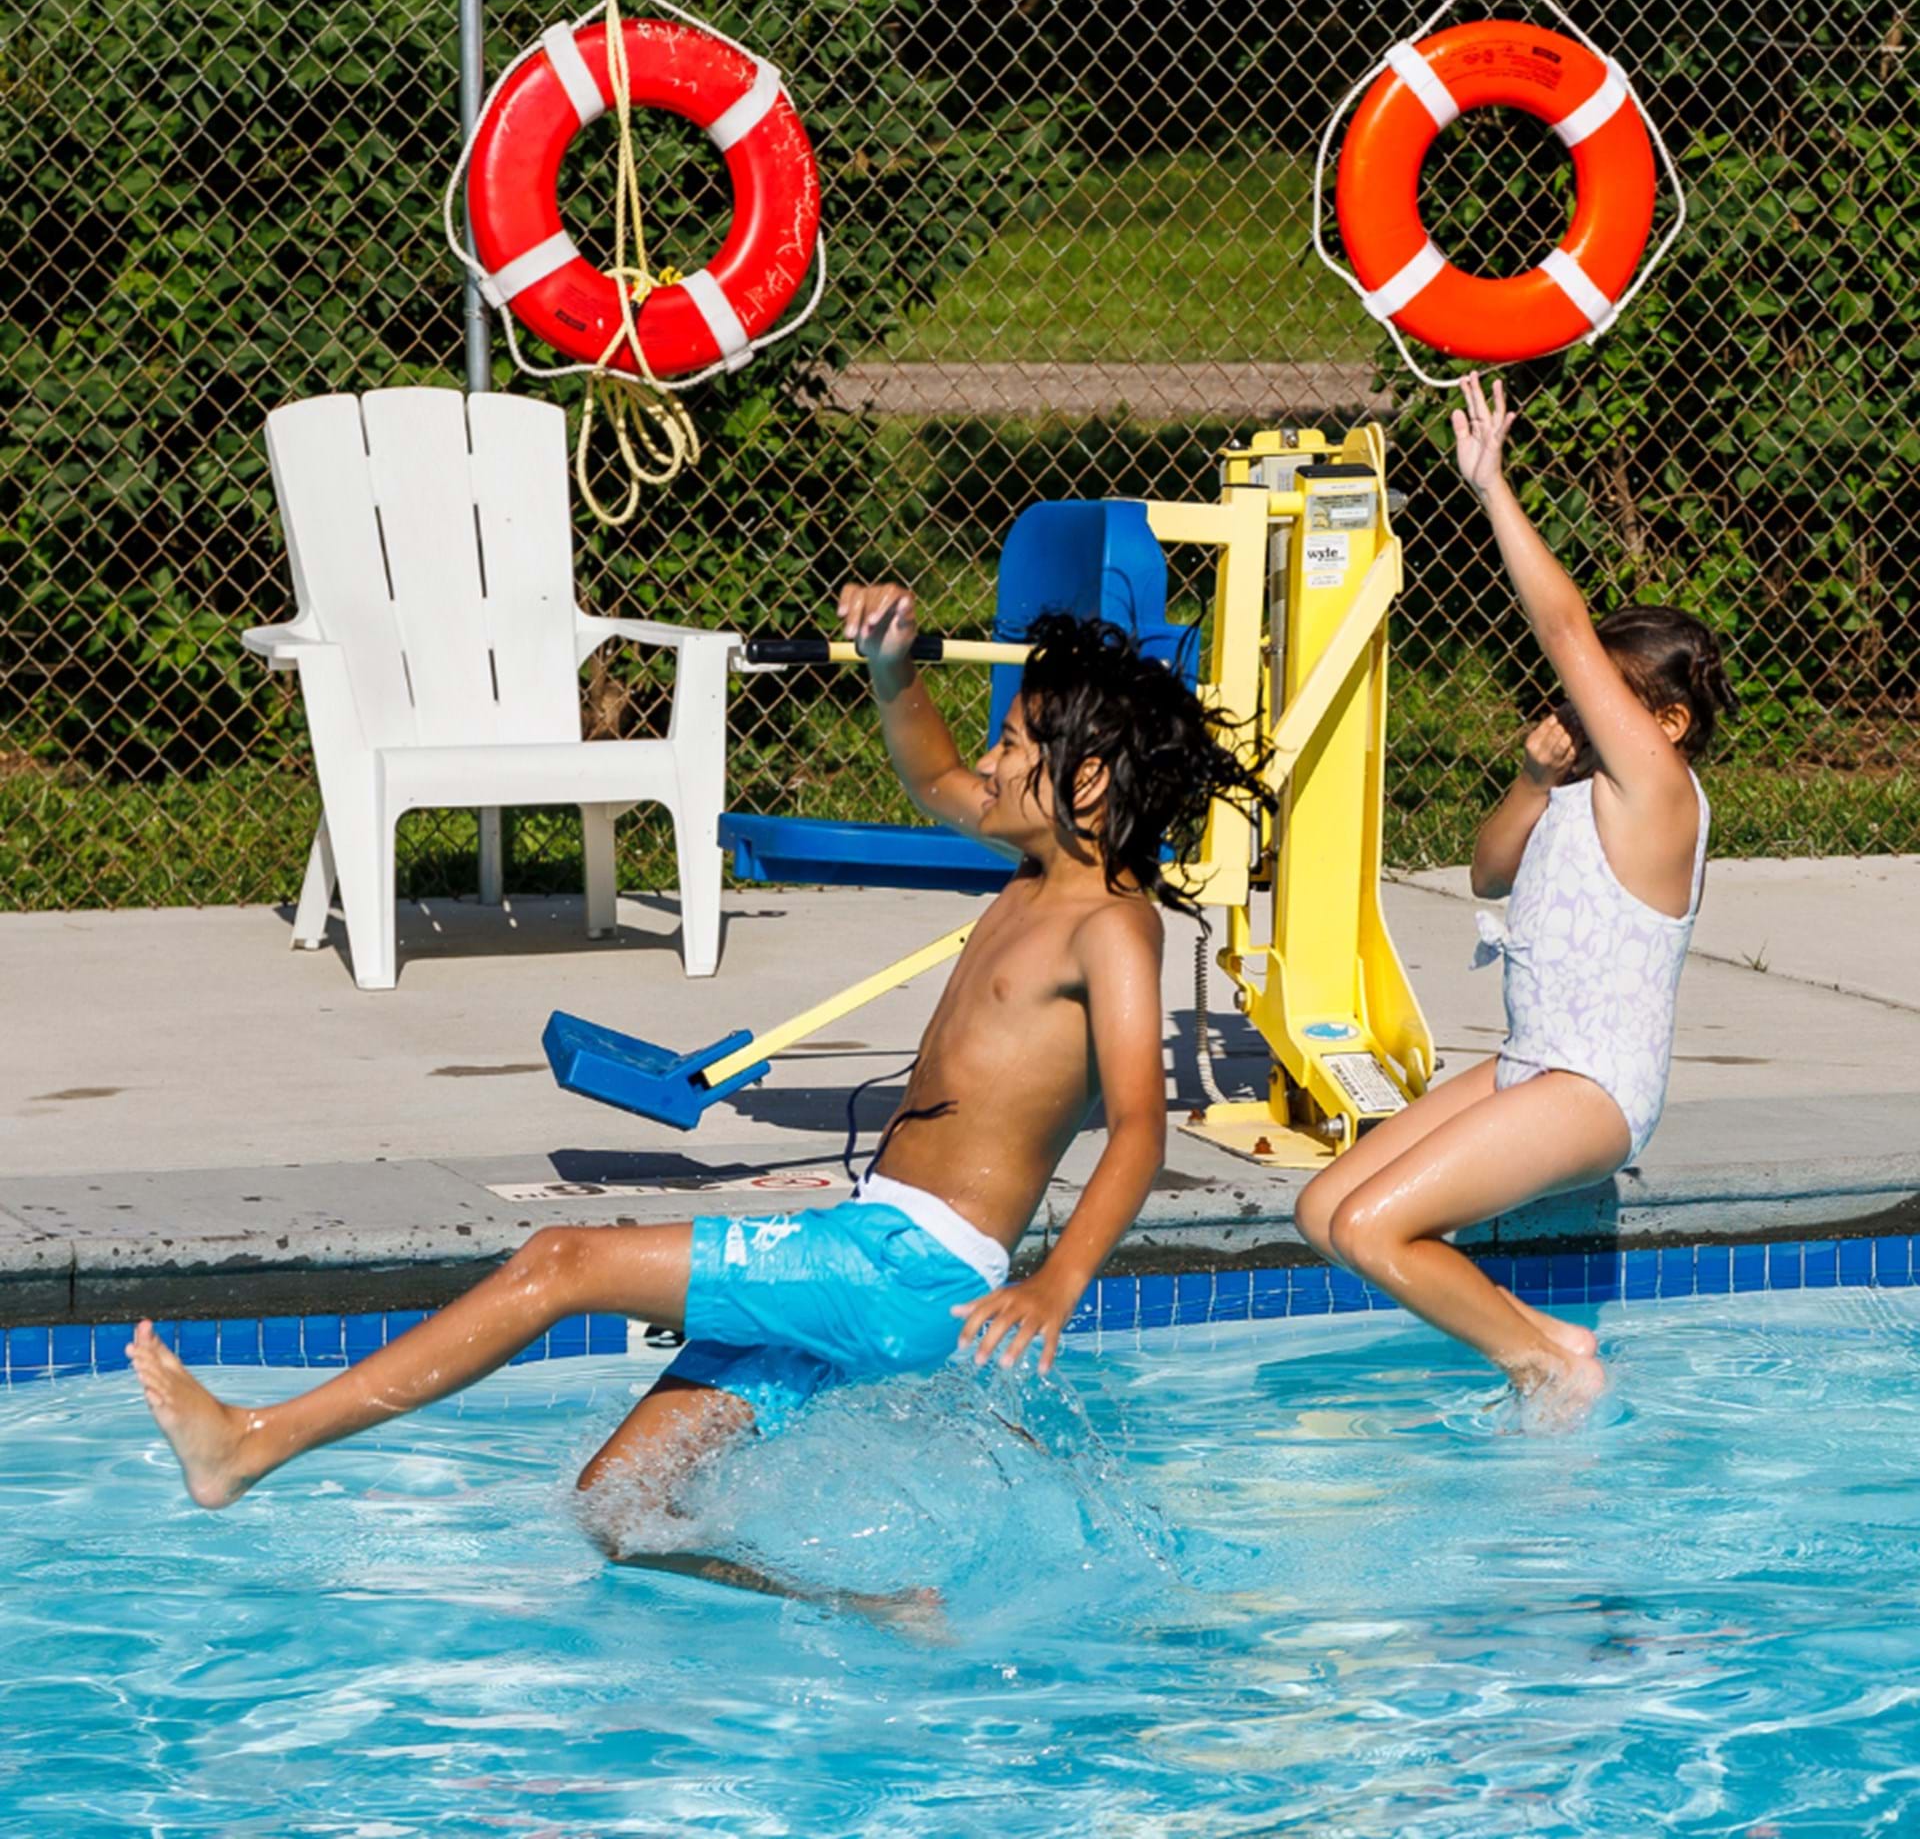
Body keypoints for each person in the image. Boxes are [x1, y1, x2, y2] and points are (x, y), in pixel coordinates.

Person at [129, 595, 1268, 1599]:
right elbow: (930, 773)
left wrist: (1060, 1283)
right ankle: (877, 1610)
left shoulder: (1114, 924)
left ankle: (256, 1442)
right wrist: (892, 664)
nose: (986, 761)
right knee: (617, 1507)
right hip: (870, 1254)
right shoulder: (1034, 870)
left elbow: (1137, 1126)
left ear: (1084, 779)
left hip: (909, 1267)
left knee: (560, 1262)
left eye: (1011, 742)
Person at [1293, 374, 1734, 1410]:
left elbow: (1566, 628)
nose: (1578, 702)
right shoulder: (1582, 789)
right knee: (1325, 1210)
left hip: (1593, 1087)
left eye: (1608, 697)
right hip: (1531, 1064)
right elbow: (1489, 868)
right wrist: (1534, 780)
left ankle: (1543, 1368)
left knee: (1371, 1228)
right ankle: (1553, 1338)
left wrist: (1491, 486)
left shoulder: (1663, 796)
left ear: (1665, 722)